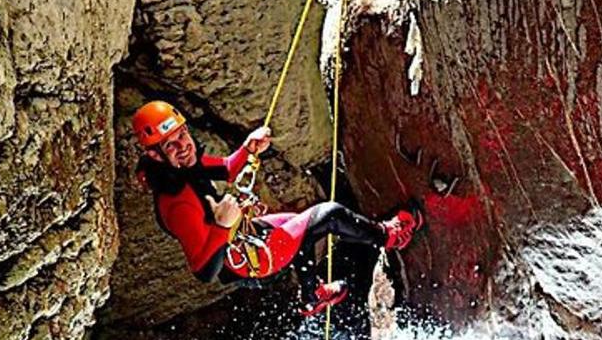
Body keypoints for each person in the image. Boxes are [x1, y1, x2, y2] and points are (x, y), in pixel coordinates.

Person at [133, 100, 421, 317]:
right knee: (328, 214)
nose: (183, 146)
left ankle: (312, 297)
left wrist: (248, 149)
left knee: (300, 224)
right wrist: (223, 224)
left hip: (239, 237)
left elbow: (225, 169)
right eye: (171, 145)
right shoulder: (177, 202)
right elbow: (204, 270)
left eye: (183, 135)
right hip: (246, 258)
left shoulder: (185, 165)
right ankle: (391, 236)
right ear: (154, 155)